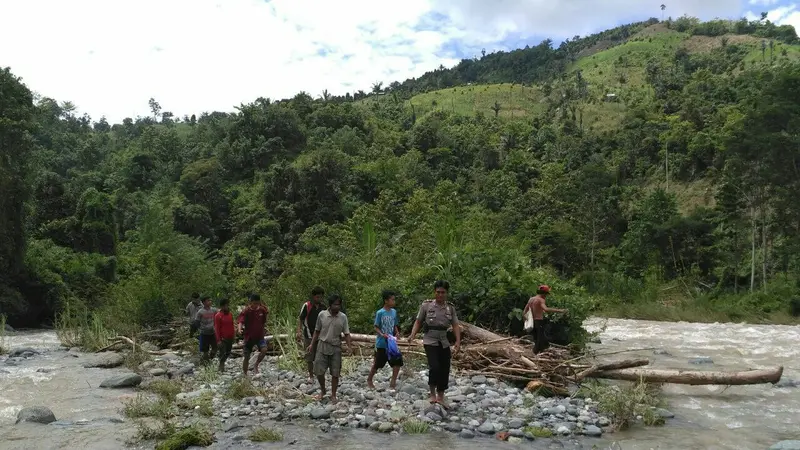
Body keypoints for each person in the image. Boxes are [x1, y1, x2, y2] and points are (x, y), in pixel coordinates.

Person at [408, 280, 461, 406]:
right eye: (438, 292)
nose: (440, 295)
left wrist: (458, 341)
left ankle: (440, 395)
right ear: (434, 292)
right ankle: (432, 393)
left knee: (445, 367)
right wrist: (412, 335)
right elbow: (418, 322)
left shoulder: (450, 308)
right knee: (434, 366)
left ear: (446, 293)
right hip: (430, 340)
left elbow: (455, 325)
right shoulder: (426, 306)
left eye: (443, 292)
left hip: (444, 341)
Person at [307, 294, 351, 403]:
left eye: (339, 305)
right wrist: (312, 344)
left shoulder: (343, 317)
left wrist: (349, 346)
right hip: (322, 345)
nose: (337, 307)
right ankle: (323, 390)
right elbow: (317, 331)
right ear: (330, 305)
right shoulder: (322, 315)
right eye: (335, 304)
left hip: (336, 346)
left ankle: (334, 394)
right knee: (319, 371)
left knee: (335, 373)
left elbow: (346, 333)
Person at [367, 290, 403, 389]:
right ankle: (369, 379)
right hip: (381, 343)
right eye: (392, 300)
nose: (394, 301)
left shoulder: (394, 312)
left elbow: (394, 324)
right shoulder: (380, 313)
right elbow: (376, 326)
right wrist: (382, 334)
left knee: (397, 361)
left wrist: (397, 332)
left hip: (391, 342)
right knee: (378, 363)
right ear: (386, 301)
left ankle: (393, 382)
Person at [523, 285, 567, 354]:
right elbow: (546, 309)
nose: (546, 296)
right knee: (539, 340)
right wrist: (560, 310)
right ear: (544, 293)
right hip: (539, 321)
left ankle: (539, 352)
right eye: (546, 294)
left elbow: (524, 311)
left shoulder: (531, 299)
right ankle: (534, 354)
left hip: (532, 322)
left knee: (537, 339)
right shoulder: (541, 300)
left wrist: (525, 320)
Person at [297, 286, 325, 382]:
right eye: (317, 297)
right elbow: (301, 318)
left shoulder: (323, 307)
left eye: (321, 297)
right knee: (309, 356)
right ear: (313, 297)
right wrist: (299, 331)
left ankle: (318, 374)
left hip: (320, 335)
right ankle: (310, 375)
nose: (319, 299)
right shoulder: (307, 306)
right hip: (308, 334)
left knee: (319, 356)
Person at [238, 294, 269, 376]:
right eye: (254, 303)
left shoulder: (262, 310)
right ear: (250, 302)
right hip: (249, 337)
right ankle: (245, 374)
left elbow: (264, 320)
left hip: (259, 336)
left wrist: (263, 328)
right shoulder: (246, 311)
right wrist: (239, 329)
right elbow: (240, 321)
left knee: (264, 350)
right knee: (247, 357)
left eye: (258, 303)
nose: (256, 305)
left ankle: (256, 365)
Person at [215, 298, 235, 373]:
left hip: (230, 337)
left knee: (228, 352)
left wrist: (234, 335)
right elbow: (216, 328)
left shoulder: (230, 314)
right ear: (222, 306)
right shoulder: (218, 316)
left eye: (228, 305)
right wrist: (218, 340)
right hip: (223, 338)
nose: (227, 307)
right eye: (226, 305)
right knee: (222, 352)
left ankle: (222, 363)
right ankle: (221, 366)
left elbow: (232, 325)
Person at [195, 295, 218, 362]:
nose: (210, 302)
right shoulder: (200, 312)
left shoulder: (213, 310)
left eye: (210, 300)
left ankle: (211, 358)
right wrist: (200, 329)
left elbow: (220, 314)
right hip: (204, 333)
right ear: (204, 302)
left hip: (213, 332)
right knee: (205, 350)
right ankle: (206, 363)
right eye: (208, 300)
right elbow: (197, 321)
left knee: (215, 348)